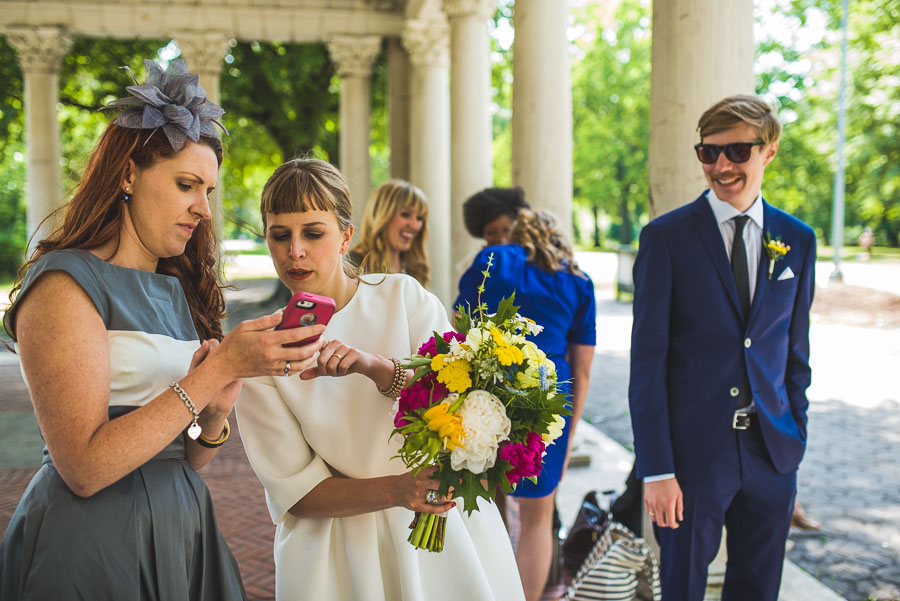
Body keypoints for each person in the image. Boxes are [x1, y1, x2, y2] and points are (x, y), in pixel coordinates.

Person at [0, 58, 328, 600]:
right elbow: (83, 467)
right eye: (186, 185)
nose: (203, 208)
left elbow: (188, 455)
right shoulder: (64, 283)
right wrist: (216, 370)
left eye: (209, 191)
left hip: (182, 528)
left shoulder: (176, 288)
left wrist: (218, 411)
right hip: (93, 545)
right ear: (128, 173)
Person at [234, 158, 524, 601]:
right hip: (335, 555)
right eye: (280, 235)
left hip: (443, 532)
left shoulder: (403, 296)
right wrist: (400, 490)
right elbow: (298, 493)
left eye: (313, 233)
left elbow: (462, 403)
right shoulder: (259, 351)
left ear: (346, 235)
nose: (295, 250)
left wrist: (377, 369)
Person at [629, 94, 816, 600]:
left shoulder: (797, 240)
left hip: (771, 452)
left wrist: (793, 437)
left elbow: (795, 354)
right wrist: (658, 470)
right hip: (691, 458)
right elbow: (647, 366)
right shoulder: (665, 239)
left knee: (758, 588)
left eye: (737, 151)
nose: (721, 166)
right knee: (683, 587)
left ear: (769, 150)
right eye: (708, 153)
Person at [454, 209, 596, 601]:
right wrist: (568, 433)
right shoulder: (579, 280)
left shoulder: (492, 260)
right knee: (537, 519)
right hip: (548, 398)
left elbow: (459, 326)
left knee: (480, 502)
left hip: (487, 388)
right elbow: (582, 369)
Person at [349, 179, 430, 287]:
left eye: (420, 218)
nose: (415, 225)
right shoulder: (353, 264)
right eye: (405, 214)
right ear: (381, 215)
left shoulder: (413, 268)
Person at [462, 186, 530, 247]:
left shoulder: (528, 257)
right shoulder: (485, 259)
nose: (500, 239)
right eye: (491, 233)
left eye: (506, 230)